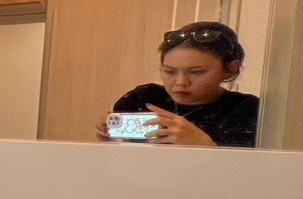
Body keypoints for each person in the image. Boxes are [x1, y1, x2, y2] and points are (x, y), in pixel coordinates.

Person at [100, 22, 259, 147]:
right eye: (169, 72)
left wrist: (204, 145)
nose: (181, 82)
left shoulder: (247, 109)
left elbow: (251, 174)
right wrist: (108, 141)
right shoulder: (141, 98)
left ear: (231, 69)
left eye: (197, 72)